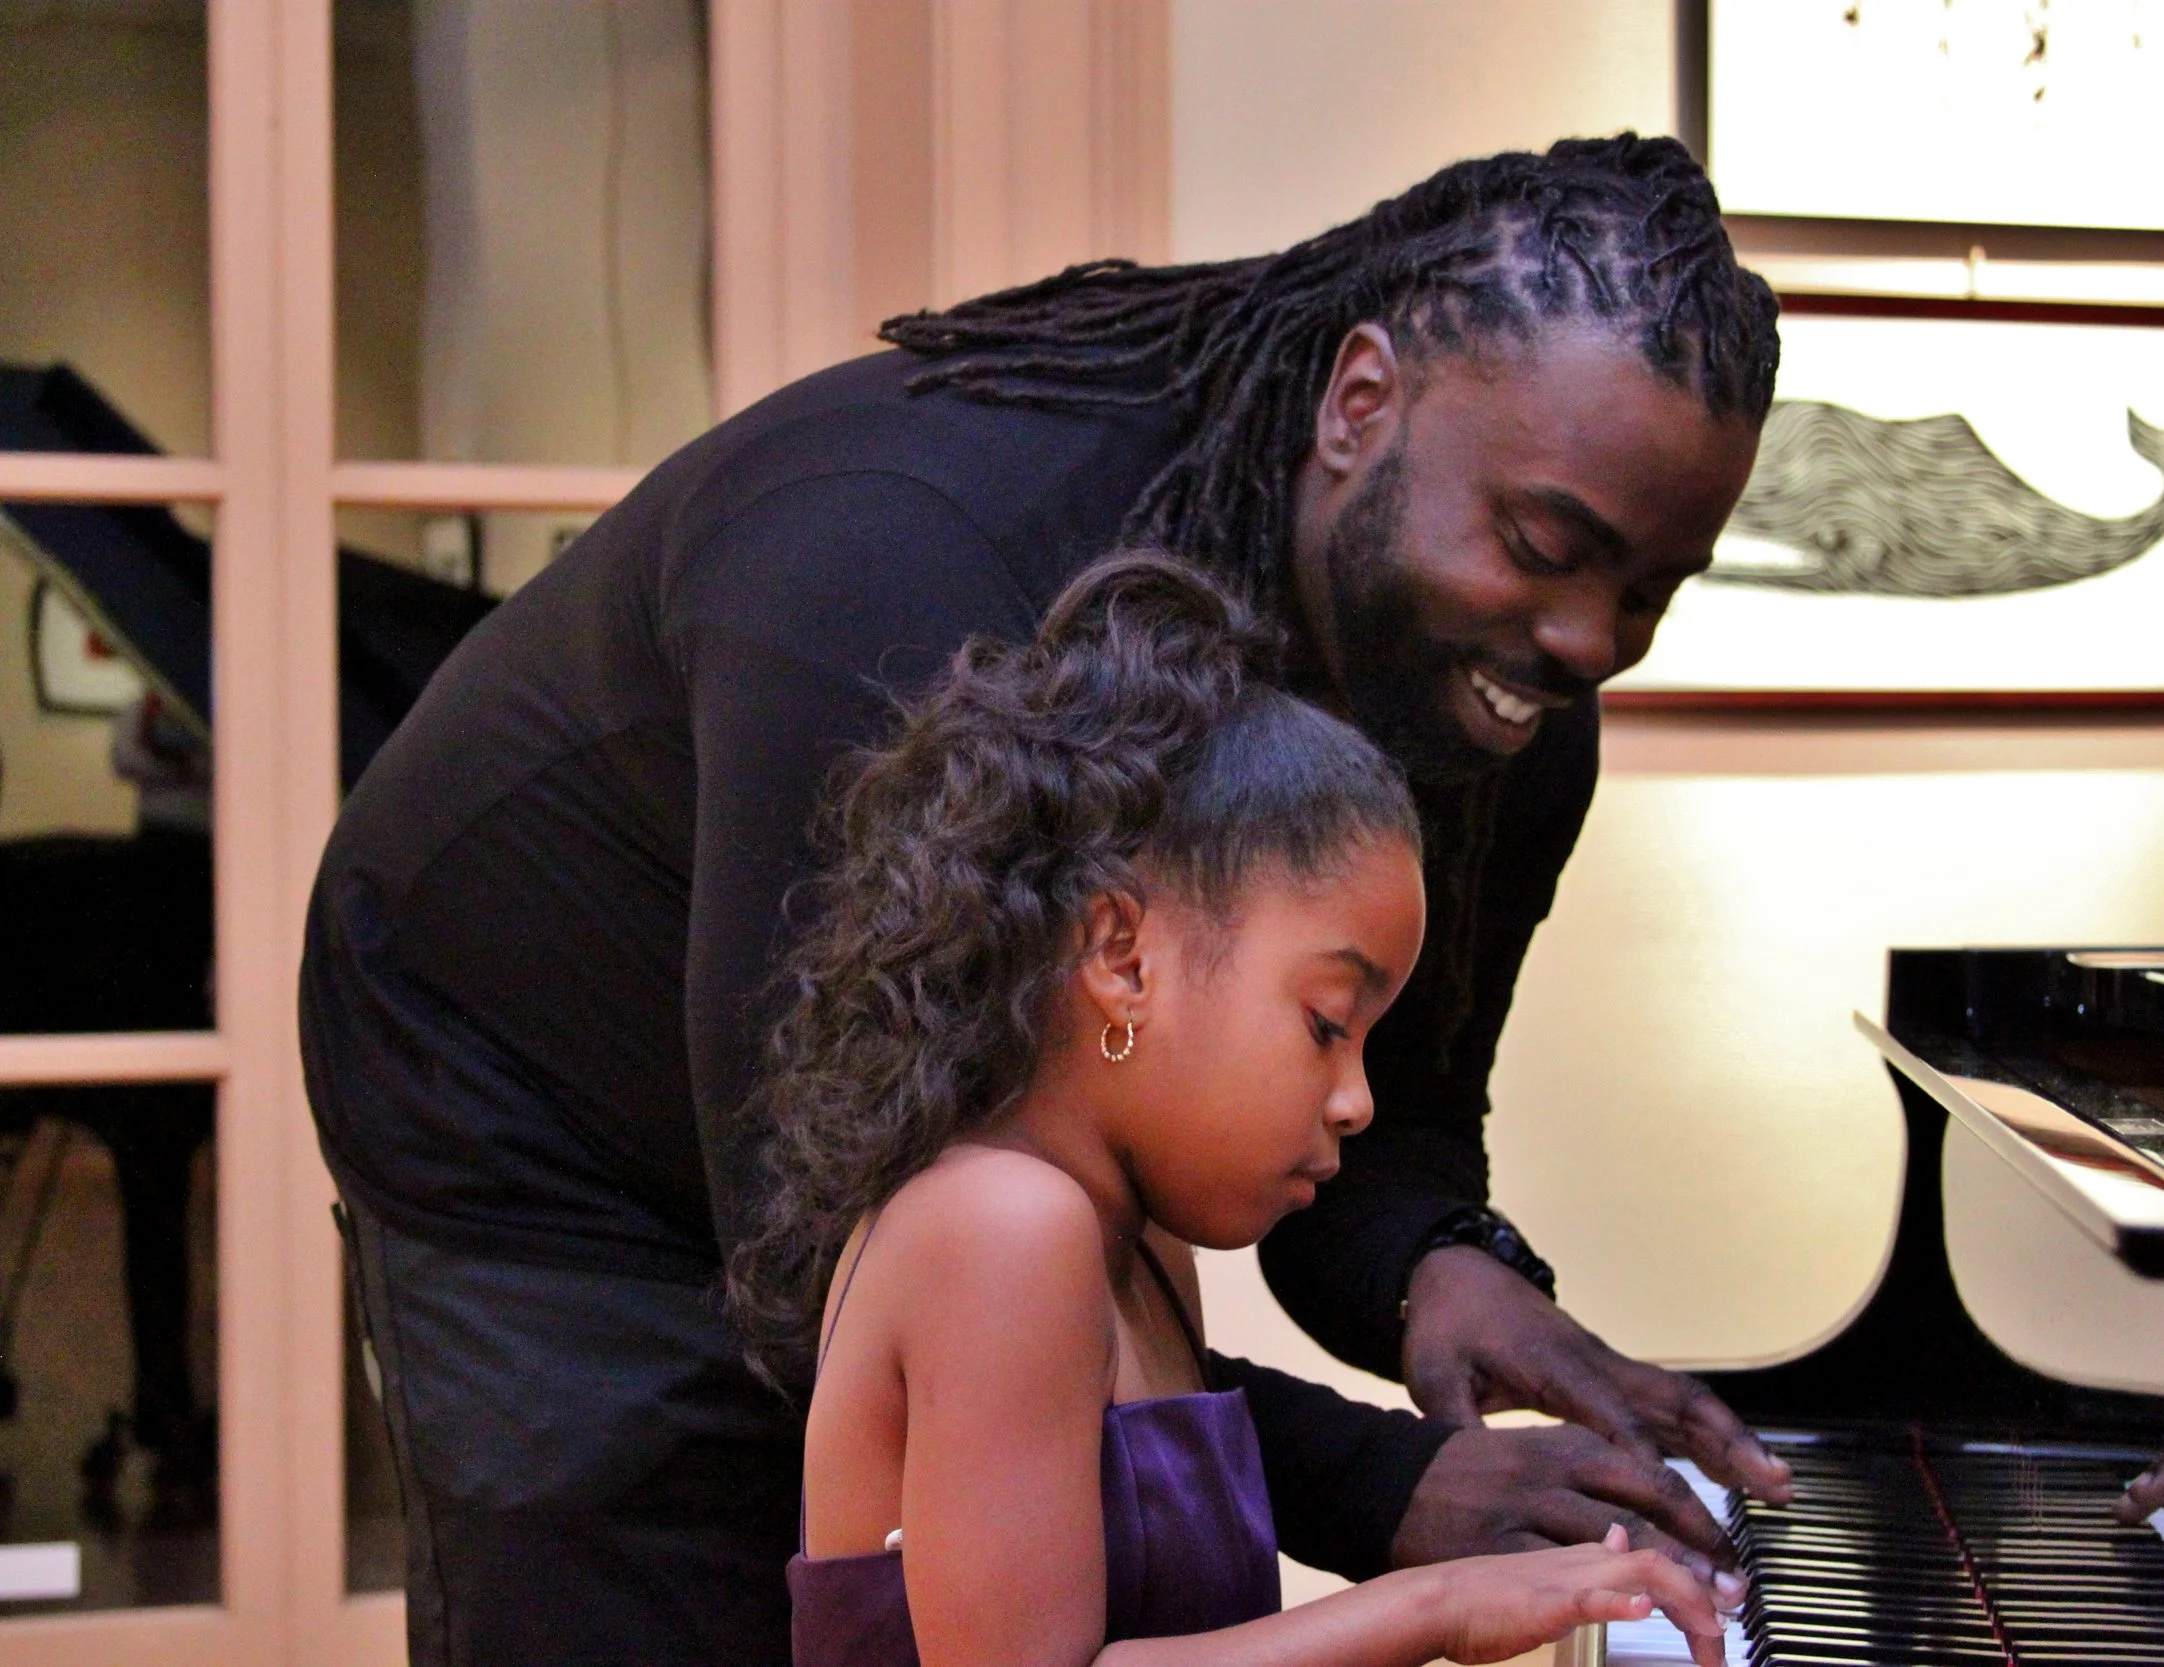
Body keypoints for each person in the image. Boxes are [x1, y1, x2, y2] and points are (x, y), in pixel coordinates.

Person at [302, 133, 1788, 1665]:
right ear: (1360, 403)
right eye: (1551, 546)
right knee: (663, 1579)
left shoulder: (1509, 697)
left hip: (891, 1160)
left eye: (1652, 592)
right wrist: (1390, 1496)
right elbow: (835, 1245)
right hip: (525, 1084)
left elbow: (1380, 1103)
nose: (1590, 639)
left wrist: (1444, 1265)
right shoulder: (910, 573)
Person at [753, 553, 1732, 1667]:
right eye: (1326, 1023)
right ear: (1122, 957)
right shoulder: (1000, 1227)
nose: (1359, 1101)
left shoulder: (1142, 1244)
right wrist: (1436, 1605)